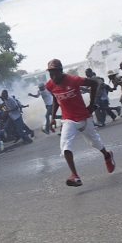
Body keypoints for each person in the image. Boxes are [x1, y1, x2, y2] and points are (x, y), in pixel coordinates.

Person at [44, 59, 116, 187]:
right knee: (65, 145)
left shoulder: (73, 79)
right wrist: (52, 118)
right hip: (68, 119)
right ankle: (75, 176)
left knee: (95, 143)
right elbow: (55, 100)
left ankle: (107, 155)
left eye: (56, 72)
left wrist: (91, 104)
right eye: (51, 73)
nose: (53, 76)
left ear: (61, 71)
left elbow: (93, 84)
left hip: (83, 117)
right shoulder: (49, 85)